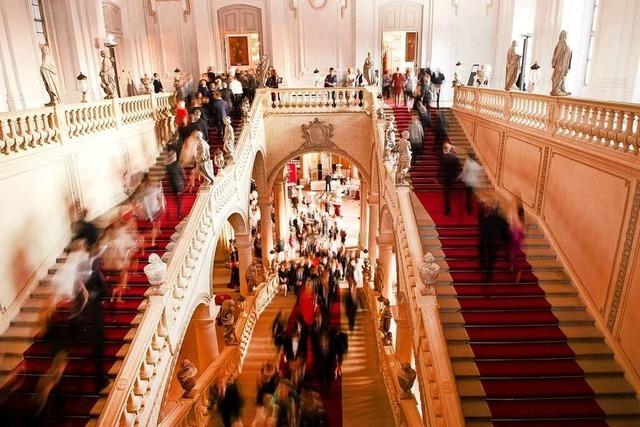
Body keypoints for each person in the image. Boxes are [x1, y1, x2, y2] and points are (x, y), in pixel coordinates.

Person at [509, 199, 526, 283]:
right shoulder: (520, 225)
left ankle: (518, 278)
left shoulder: (520, 225)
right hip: (515, 242)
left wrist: (513, 207)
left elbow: (514, 222)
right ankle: (512, 268)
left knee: (516, 259)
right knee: (513, 256)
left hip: (517, 243)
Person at [440, 143, 460, 216]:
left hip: (446, 178)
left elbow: (441, 169)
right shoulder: (455, 157)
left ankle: (447, 211)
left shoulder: (443, 157)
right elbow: (456, 168)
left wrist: (439, 177)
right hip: (453, 177)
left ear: (443, 149)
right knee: (450, 193)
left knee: (446, 195)